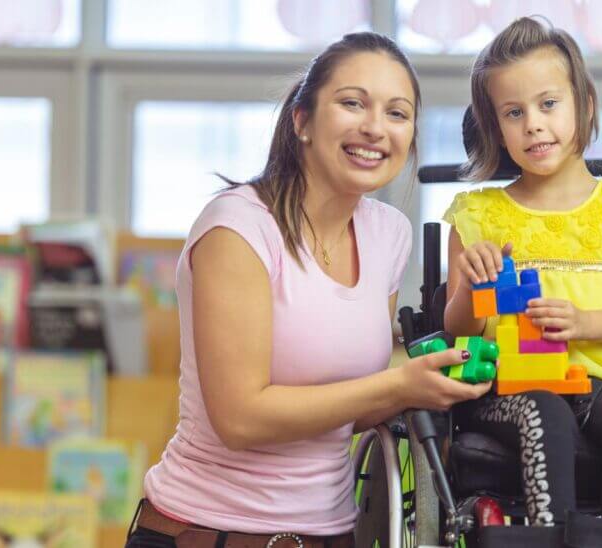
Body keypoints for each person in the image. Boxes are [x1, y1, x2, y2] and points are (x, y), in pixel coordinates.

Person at [126, 32, 491, 548]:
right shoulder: (239, 228)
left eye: (397, 113)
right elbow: (240, 418)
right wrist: (397, 387)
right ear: (302, 121)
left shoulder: (388, 233)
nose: (374, 128)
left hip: (331, 534)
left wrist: (433, 384)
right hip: (208, 532)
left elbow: (348, 408)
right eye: (352, 103)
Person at [443, 17, 602, 527]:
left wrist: (583, 323)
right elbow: (458, 331)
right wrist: (475, 287)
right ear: (495, 127)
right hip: (511, 388)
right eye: (513, 113)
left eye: (548, 104)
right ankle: (549, 539)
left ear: (582, 104)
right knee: (544, 412)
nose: (534, 124)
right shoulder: (476, 215)